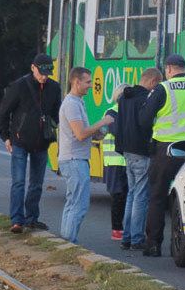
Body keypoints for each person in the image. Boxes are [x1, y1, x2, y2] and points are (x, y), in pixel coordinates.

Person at [140, 54, 185, 257]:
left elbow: (145, 120)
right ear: (184, 67)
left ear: (169, 69)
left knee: (157, 197)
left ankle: (153, 245)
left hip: (166, 151)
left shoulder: (163, 88)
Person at [0, 54, 62, 234]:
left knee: (37, 184)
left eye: (48, 73)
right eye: (42, 72)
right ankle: (17, 220)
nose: (44, 76)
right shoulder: (19, 86)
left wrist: (53, 128)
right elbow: (3, 112)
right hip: (20, 141)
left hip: (42, 143)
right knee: (18, 182)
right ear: (33, 67)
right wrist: (6, 137)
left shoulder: (54, 88)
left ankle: (32, 218)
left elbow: (57, 114)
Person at [58, 67, 112, 244]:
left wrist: (99, 133)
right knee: (78, 205)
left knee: (73, 202)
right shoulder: (72, 104)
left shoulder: (78, 102)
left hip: (76, 159)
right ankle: (69, 242)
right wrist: (102, 122)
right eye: (88, 82)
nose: (91, 85)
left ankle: (66, 241)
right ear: (76, 82)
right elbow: (80, 134)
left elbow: (82, 134)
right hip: (74, 160)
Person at [114, 67, 162, 251]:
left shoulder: (125, 97)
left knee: (132, 194)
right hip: (141, 151)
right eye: (156, 86)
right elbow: (147, 125)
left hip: (126, 151)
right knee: (141, 196)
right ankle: (136, 238)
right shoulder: (145, 100)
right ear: (153, 82)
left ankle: (126, 237)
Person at [101, 96, 127, 242]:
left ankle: (124, 229)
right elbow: (117, 131)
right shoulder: (111, 112)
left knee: (127, 196)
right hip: (115, 160)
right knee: (118, 196)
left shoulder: (128, 111)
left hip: (127, 160)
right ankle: (116, 229)